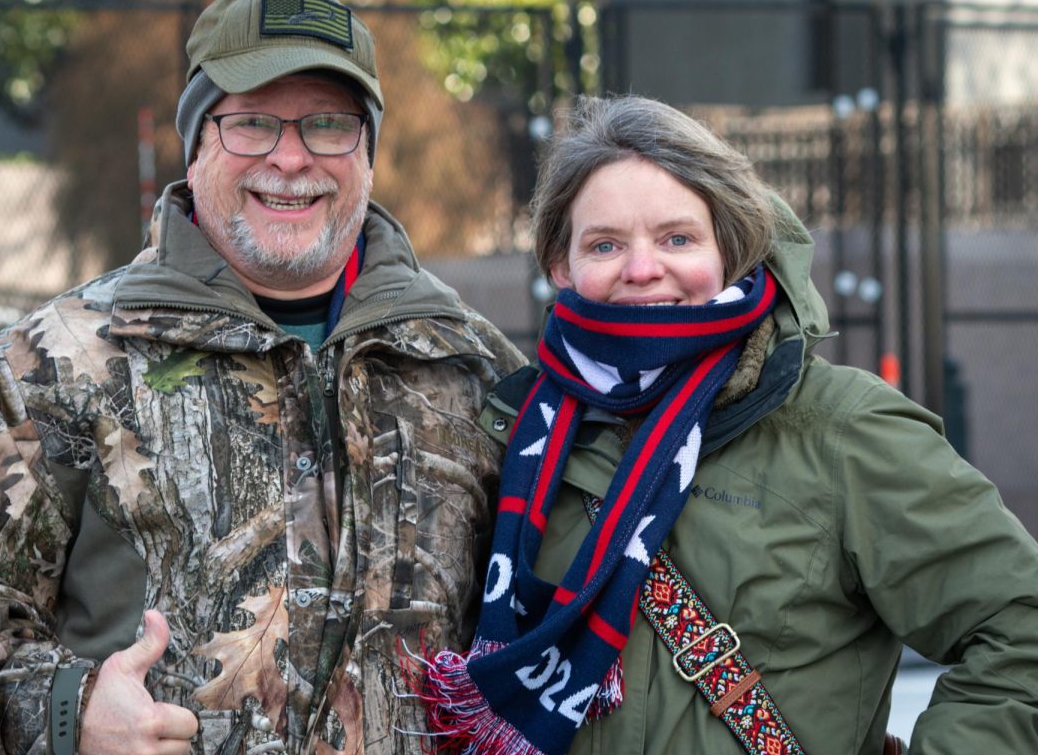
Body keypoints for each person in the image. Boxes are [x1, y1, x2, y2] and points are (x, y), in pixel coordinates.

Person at [0, 0, 525, 755]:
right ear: (197, 142)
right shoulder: (56, 362)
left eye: (327, 124)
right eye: (250, 123)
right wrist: (69, 715)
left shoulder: (472, 369)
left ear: (368, 153)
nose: (290, 158)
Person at [417, 95, 1038, 755]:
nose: (643, 269)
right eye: (605, 244)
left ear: (730, 250)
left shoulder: (842, 431)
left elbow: (1018, 633)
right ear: (560, 267)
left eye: (677, 238)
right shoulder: (512, 438)